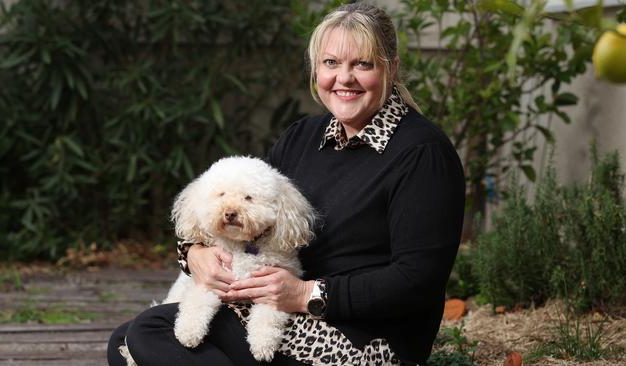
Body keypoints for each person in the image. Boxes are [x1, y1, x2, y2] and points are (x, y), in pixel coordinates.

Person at [107, 3, 464, 365]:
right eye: (331, 63)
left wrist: (307, 293)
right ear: (316, 70)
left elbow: (416, 282)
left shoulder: (422, 153)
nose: (345, 78)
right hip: (283, 315)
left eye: (362, 64)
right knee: (126, 341)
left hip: (361, 340)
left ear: (392, 67)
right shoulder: (303, 137)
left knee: (149, 334)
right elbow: (250, 219)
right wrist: (194, 256)